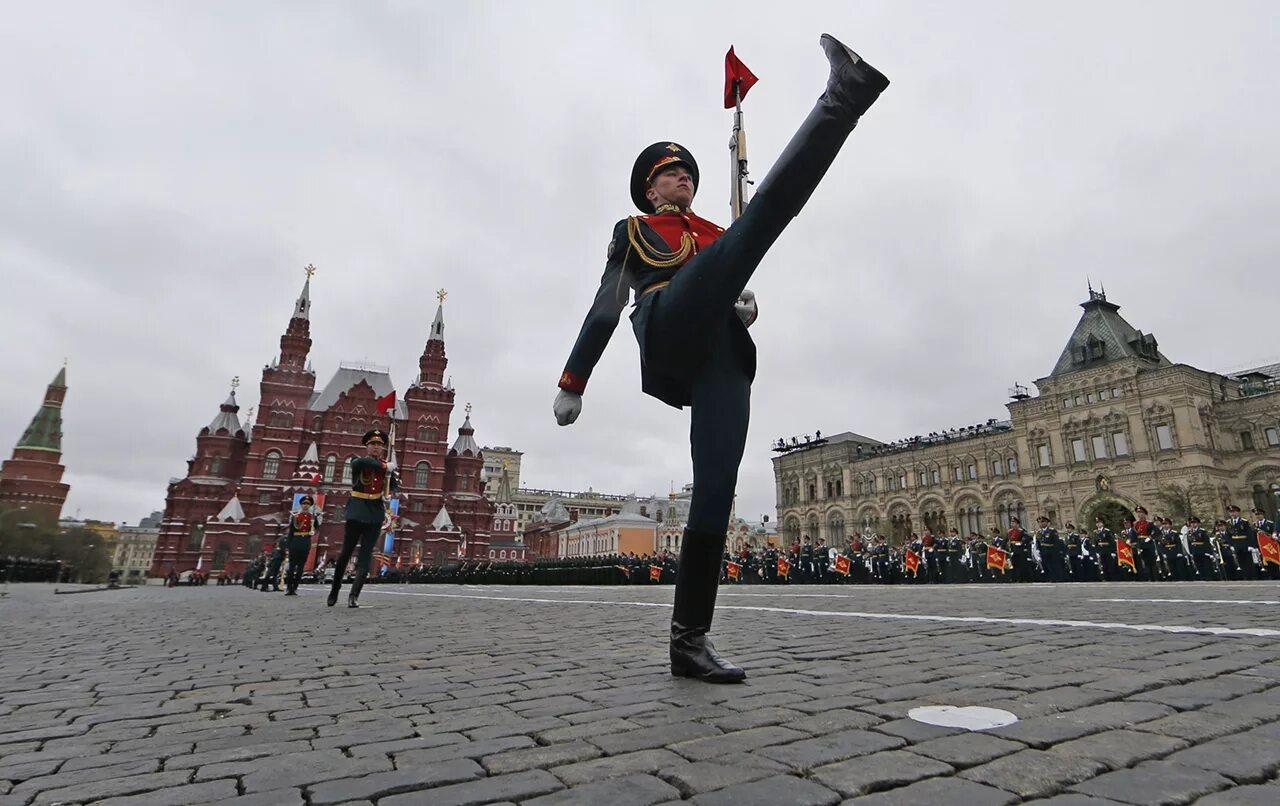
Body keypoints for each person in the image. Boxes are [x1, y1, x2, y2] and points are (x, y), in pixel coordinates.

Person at [551, 35, 888, 682]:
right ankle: (843, 97)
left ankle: (689, 641)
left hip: (722, 353)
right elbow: (605, 304)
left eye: (689, 174)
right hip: (668, 323)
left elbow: (730, 272)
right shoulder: (635, 231)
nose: (685, 179)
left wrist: (736, 301)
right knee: (762, 220)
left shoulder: (712, 233)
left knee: (717, 488)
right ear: (649, 189)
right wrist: (575, 379)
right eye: (671, 174)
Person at [328, 429, 399, 608]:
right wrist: (385, 467)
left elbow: (394, 485)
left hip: (375, 513)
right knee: (345, 553)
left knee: (366, 556)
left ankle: (354, 595)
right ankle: (335, 589)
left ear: (383, 449)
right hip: (357, 510)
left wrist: (389, 491)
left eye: (379, 445)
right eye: (373, 444)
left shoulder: (386, 468)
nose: (376, 447)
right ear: (367, 447)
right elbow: (367, 464)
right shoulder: (358, 462)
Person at [284, 494, 320, 596]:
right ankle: (289, 588)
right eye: (304, 503)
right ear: (301, 505)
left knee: (300, 568)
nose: (305, 505)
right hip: (295, 542)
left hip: (305, 543)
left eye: (307, 504)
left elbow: (317, 528)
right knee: (291, 567)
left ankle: (295, 587)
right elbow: (291, 532)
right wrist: (288, 545)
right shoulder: (295, 517)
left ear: (310, 506)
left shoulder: (312, 517)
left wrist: (314, 532)